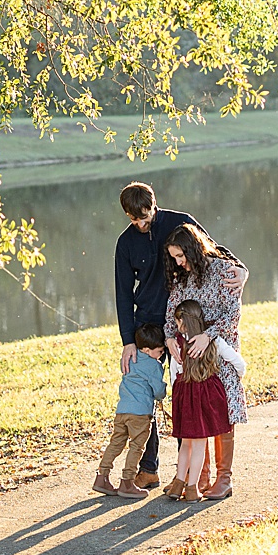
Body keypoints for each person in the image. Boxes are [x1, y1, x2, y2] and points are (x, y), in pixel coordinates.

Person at [112, 181, 201, 491]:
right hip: (147, 327)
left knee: (184, 394)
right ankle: (148, 469)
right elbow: (123, 294)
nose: (140, 223)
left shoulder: (180, 222)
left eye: (144, 216)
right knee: (140, 397)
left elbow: (209, 252)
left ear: (154, 205)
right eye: (133, 218)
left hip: (184, 321)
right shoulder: (125, 244)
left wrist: (235, 267)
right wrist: (128, 341)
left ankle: (187, 471)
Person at [163, 221, 250, 500]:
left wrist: (208, 336)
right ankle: (199, 475)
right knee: (196, 413)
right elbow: (170, 314)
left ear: (193, 250)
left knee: (221, 410)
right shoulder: (182, 278)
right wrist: (168, 339)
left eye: (181, 255)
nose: (178, 262)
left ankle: (224, 478)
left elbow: (232, 314)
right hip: (191, 355)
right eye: (174, 257)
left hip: (218, 350)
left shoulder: (224, 271)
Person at [164, 299, 247, 501]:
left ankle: (178, 484)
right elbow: (237, 361)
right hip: (204, 396)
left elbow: (174, 373)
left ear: (183, 322)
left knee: (186, 444)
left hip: (185, 395)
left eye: (177, 322)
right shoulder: (213, 341)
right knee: (200, 444)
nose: (176, 327)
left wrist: (180, 390)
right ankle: (192, 489)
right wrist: (239, 375)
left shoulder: (177, 343)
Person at [93, 323, 168, 496]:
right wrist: (162, 390)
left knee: (116, 443)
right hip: (140, 414)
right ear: (148, 350)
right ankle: (127, 482)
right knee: (136, 446)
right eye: (160, 351)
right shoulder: (153, 365)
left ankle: (102, 477)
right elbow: (158, 391)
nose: (162, 354)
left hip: (122, 411)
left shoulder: (129, 359)